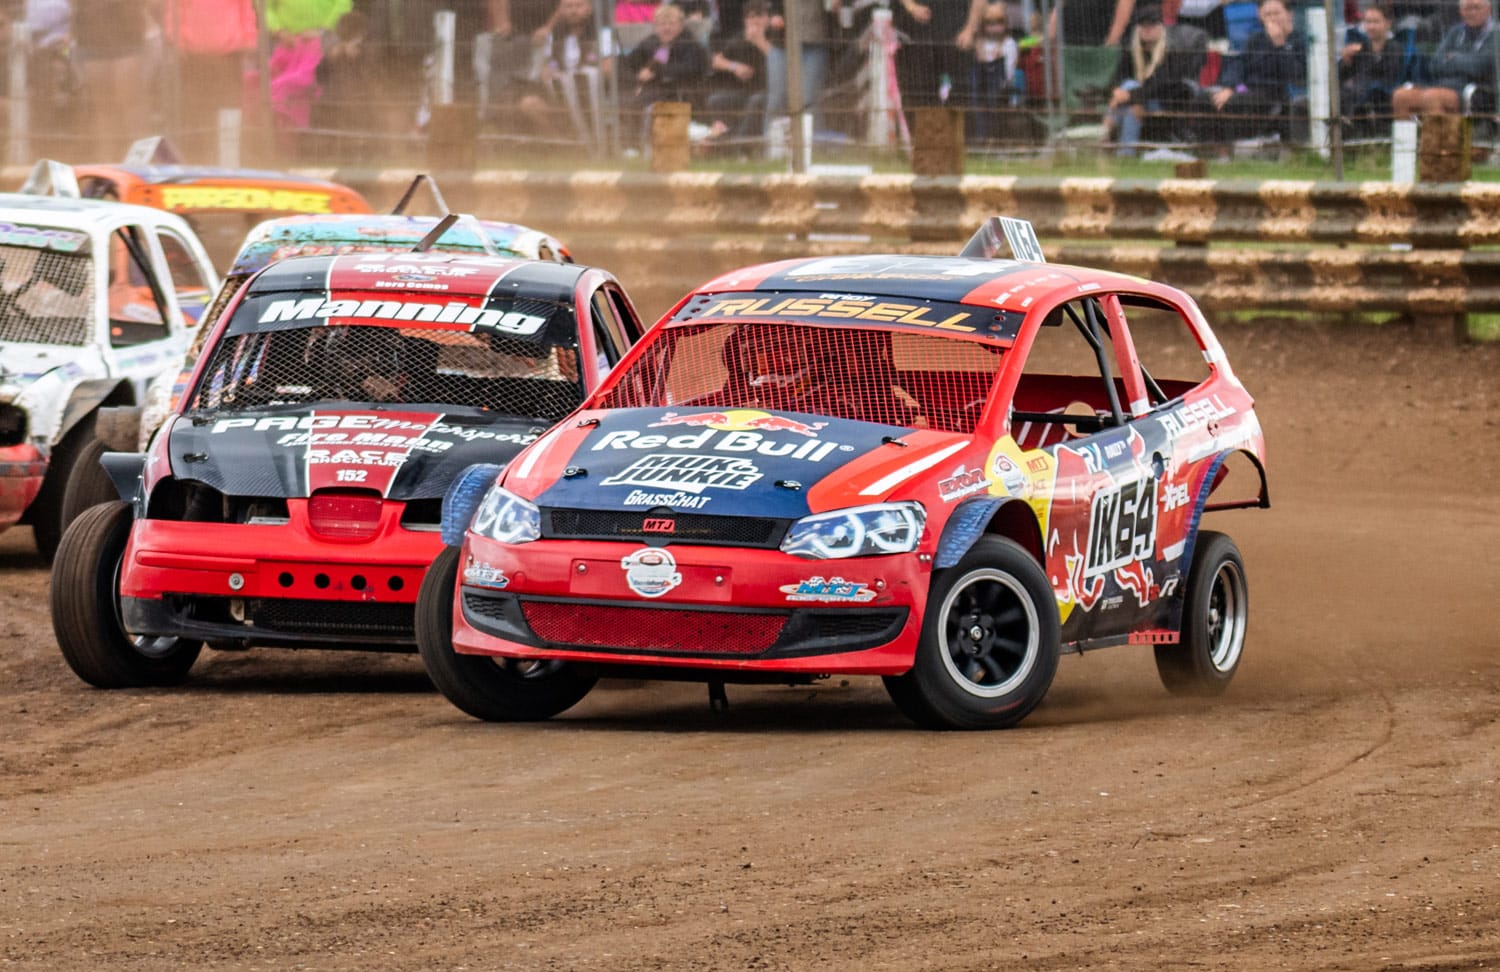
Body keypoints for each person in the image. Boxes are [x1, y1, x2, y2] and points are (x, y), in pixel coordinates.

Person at [1102, 3, 1207, 154]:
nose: (1147, 30)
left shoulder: (1171, 50)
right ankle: (1124, 152)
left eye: (1152, 26)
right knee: (1130, 95)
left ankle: (1106, 136)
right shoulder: (1132, 50)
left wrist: (1130, 96)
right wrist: (1118, 92)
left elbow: (1160, 86)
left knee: (1129, 91)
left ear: (1160, 27)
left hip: (1165, 101)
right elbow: (1117, 77)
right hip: (1138, 100)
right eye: (1143, 26)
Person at [1206, 0, 1306, 143]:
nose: (1272, 18)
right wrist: (1230, 88)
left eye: (1277, 13)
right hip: (1246, 88)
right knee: (1209, 98)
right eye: (1267, 14)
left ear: (1289, 14)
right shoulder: (1255, 39)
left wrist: (1280, 45)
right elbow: (1239, 65)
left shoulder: (1298, 40)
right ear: (1260, 16)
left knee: (1236, 102)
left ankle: (1227, 147)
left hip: (1276, 92)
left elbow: (1296, 74)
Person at [1391, 0, 1496, 117]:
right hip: (1443, 84)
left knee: (1433, 97)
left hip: (1477, 89)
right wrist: (1466, 61)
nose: (1472, 12)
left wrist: (1454, 58)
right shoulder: (1455, 32)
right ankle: (1409, 130)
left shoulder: (1495, 34)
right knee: (1401, 96)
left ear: (1488, 9)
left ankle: (1441, 130)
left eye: (1476, 8)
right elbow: (1434, 65)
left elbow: (1481, 66)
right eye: (1467, 8)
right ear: (1460, 11)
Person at [623, 4, 709, 143]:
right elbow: (629, 63)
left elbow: (690, 68)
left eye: (671, 24)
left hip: (680, 92)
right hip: (652, 90)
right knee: (626, 102)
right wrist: (638, 75)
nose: (667, 28)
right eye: (662, 24)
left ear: (681, 25)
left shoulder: (690, 43)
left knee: (644, 104)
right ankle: (630, 145)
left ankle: (642, 144)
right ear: (656, 26)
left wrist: (656, 73)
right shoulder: (651, 42)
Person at [703, 0, 772, 149]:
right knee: (717, 100)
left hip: (770, 91)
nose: (754, 21)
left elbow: (777, 60)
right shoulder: (740, 37)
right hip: (747, 91)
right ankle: (722, 141)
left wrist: (759, 41)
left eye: (759, 16)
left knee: (756, 101)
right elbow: (716, 60)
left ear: (768, 18)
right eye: (750, 17)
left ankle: (740, 147)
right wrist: (735, 67)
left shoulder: (774, 35)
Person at [1340, 3, 1410, 134]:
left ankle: (1350, 123)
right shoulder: (1362, 48)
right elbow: (1343, 74)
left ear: (1388, 23)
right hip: (1357, 91)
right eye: (1368, 22)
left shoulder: (1395, 48)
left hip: (1381, 94)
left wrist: (1359, 80)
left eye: (1376, 22)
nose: (1371, 26)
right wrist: (1346, 61)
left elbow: (1389, 75)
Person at [966, 1, 1021, 142]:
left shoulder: (1009, 44)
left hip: (1001, 90)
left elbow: (1009, 73)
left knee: (993, 98)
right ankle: (980, 137)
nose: (995, 27)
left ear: (1006, 24)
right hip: (980, 89)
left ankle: (994, 138)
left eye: (999, 22)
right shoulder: (979, 44)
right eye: (990, 23)